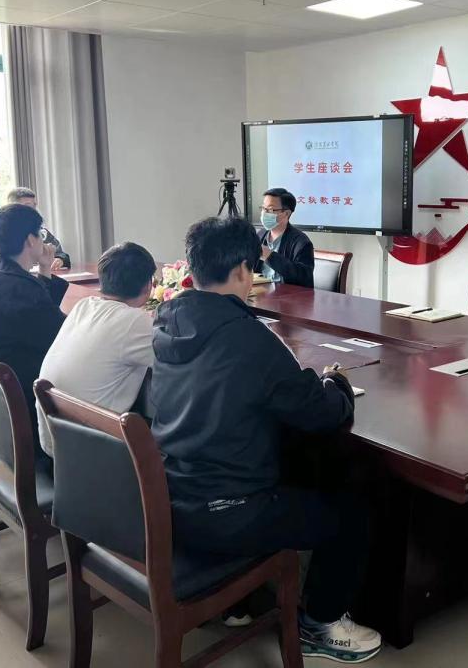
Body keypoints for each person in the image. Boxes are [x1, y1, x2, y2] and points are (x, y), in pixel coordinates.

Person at [151, 216, 381, 663]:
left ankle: (236, 600)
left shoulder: (167, 322)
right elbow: (321, 413)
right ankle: (320, 624)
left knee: (290, 464)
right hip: (229, 512)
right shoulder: (248, 338)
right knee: (350, 508)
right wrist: (336, 384)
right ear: (243, 270)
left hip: (173, 498)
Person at [0, 203, 69, 458]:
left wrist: (45, 269)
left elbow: (39, 316)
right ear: (30, 240)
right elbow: (63, 338)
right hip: (13, 405)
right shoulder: (19, 288)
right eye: (40, 234)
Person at [36, 242, 156, 457]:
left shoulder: (84, 306)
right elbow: (175, 361)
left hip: (53, 440)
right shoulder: (134, 321)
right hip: (90, 453)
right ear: (148, 286)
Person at [0, 187, 70, 269]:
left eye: (34, 206)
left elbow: (61, 254)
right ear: (12, 208)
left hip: (39, 276)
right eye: (28, 206)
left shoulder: (41, 232)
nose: (34, 210)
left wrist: (60, 259)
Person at [255, 188, 314, 288]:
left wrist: (269, 256)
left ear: (286, 214)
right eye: (263, 208)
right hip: (260, 292)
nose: (264, 213)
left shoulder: (301, 242)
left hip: (287, 295)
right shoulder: (260, 235)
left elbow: (304, 277)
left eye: (270, 209)